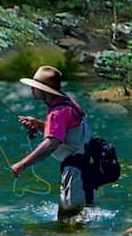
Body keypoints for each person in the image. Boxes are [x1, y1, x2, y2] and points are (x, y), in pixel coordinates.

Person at [11, 66, 94, 221]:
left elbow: (52, 143)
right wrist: (39, 125)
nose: (31, 89)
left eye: (35, 86)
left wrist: (22, 164)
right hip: (89, 169)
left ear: (45, 90)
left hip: (75, 172)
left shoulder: (57, 113)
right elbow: (66, 134)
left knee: (69, 223)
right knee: (83, 219)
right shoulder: (68, 103)